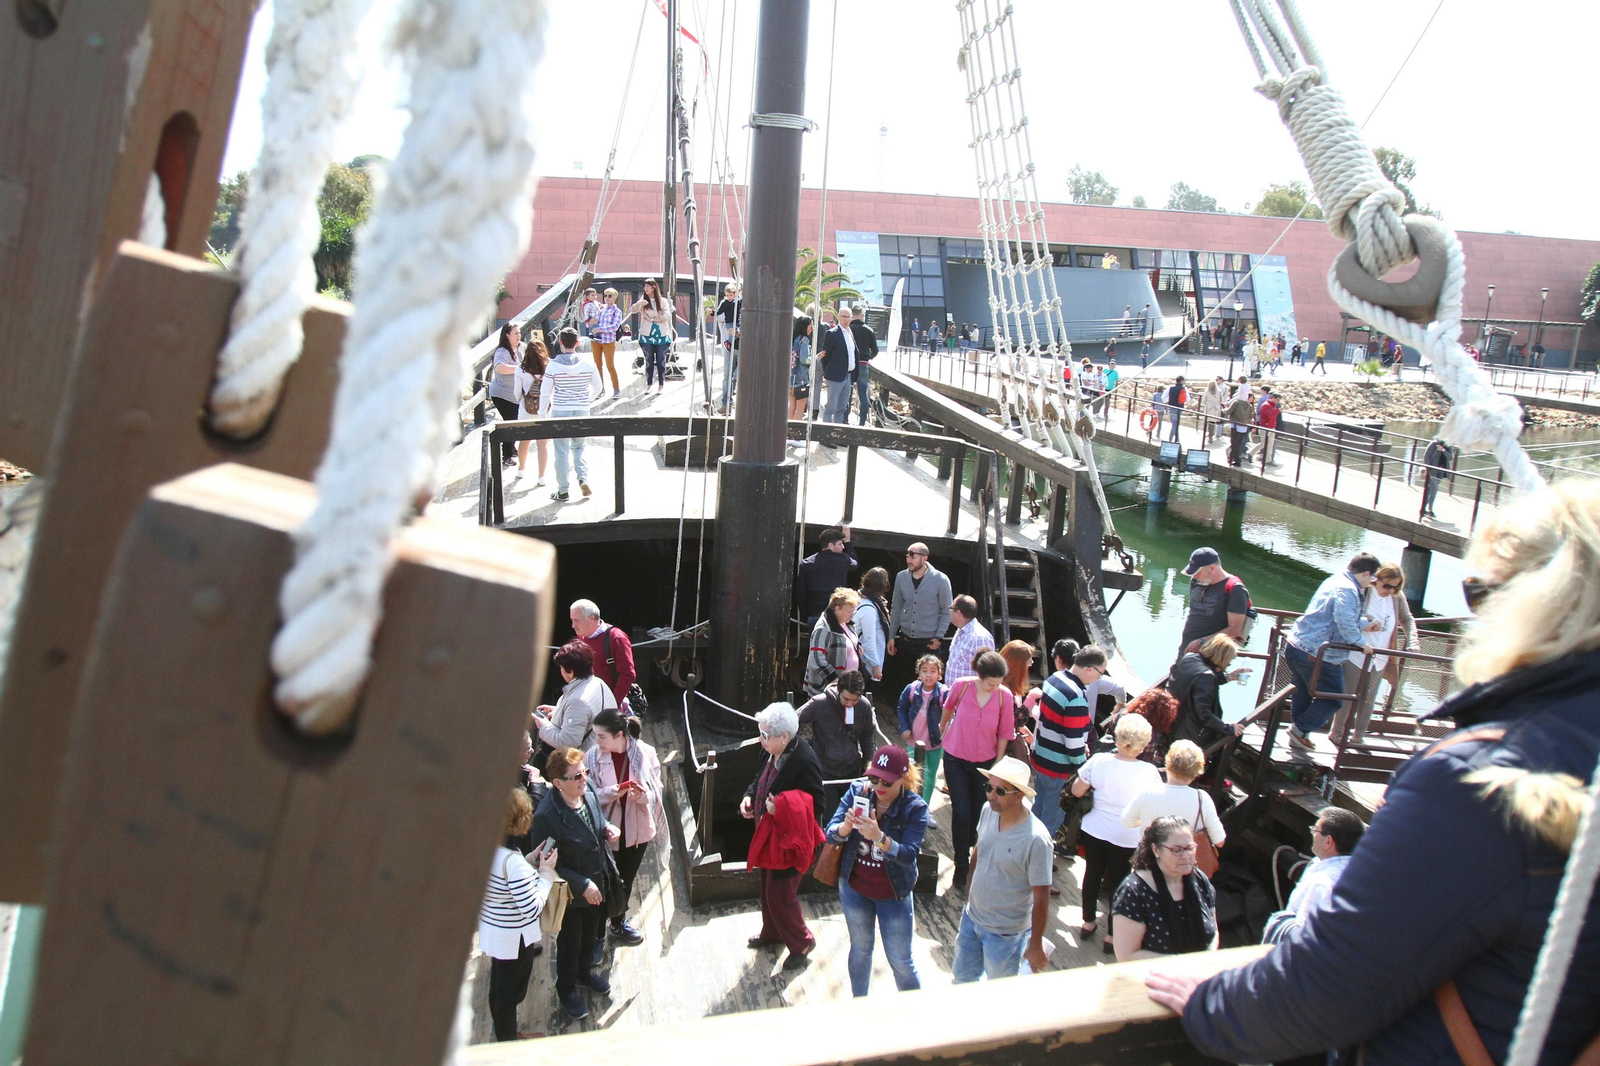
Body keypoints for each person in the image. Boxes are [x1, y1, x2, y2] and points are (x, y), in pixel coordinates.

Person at [1152, 481, 1600, 1065]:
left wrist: (1211, 1003)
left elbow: (1322, 995)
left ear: (1528, 606)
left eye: (1479, 593)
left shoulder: (1477, 783)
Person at [824, 745, 930, 996]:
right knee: (860, 950)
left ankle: (913, 1011)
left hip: (893, 893)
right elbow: (830, 832)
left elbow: (909, 855)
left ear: (903, 779)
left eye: (887, 782)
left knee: (901, 961)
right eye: (874, 779)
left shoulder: (914, 808)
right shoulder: (858, 791)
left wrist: (880, 838)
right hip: (855, 889)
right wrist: (846, 827)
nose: (879, 786)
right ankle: (860, 1003)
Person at [531, 746, 622, 1020]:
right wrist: (582, 884)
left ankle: (584, 973)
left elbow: (596, 818)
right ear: (558, 783)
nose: (584, 779)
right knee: (571, 942)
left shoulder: (586, 789)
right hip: (573, 893)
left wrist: (606, 826)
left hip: (598, 880)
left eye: (585, 772)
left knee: (590, 935)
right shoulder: (547, 817)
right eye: (577, 776)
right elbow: (546, 862)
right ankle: (566, 988)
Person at [951, 756, 1054, 981]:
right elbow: (979, 850)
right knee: (960, 982)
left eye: (1000, 791)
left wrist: (1035, 943)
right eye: (989, 787)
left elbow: (1042, 896)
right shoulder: (988, 810)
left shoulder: (1037, 839)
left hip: (1006, 934)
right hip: (971, 919)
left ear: (1019, 795)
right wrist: (969, 894)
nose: (991, 795)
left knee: (999, 994)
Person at [742, 703, 824, 970]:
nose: (761, 739)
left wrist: (783, 809)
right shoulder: (769, 751)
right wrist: (749, 796)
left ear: (785, 737)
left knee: (781, 895)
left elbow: (817, 803)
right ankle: (772, 933)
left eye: (766, 735)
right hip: (769, 836)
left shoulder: (804, 761)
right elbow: (759, 779)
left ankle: (802, 942)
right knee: (767, 888)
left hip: (790, 842)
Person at [1069, 713, 1162, 950]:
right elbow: (1155, 806)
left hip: (1094, 828)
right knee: (1119, 882)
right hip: (1127, 835)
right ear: (1143, 744)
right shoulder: (1149, 772)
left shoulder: (1099, 761)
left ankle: (1088, 922)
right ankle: (1112, 934)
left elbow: (1077, 791)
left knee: (1092, 873)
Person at [583, 707, 666, 948]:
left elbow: (656, 790)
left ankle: (618, 923)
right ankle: (597, 934)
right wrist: (612, 792)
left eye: (601, 736)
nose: (597, 741)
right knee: (603, 882)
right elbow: (586, 795)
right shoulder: (591, 757)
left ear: (618, 735)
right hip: (606, 831)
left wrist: (640, 796)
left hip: (636, 831)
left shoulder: (646, 754)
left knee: (625, 880)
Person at [480, 789, 558, 1041]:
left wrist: (530, 860)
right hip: (514, 937)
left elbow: (503, 881)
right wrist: (546, 874)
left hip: (495, 931)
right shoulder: (512, 864)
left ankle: (505, 1034)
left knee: (499, 989)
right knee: (509, 995)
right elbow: (532, 907)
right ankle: (508, 1041)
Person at [1283, 553, 1380, 748]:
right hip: (1318, 653)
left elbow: (1331, 617)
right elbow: (1344, 622)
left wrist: (1364, 624)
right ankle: (1299, 730)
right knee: (1334, 699)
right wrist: (1362, 643)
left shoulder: (1335, 580)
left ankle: (1299, 735)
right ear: (1366, 574)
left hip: (1297, 645)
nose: (1373, 582)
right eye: (1373, 578)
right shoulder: (1348, 589)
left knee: (1303, 693)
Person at [939, 650, 1017, 887]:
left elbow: (1005, 732)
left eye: (998, 683)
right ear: (979, 676)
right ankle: (961, 862)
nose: (994, 687)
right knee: (961, 811)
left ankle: (973, 849)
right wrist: (942, 728)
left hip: (985, 762)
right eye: (990, 683)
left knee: (978, 811)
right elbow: (948, 708)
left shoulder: (1004, 696)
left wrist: (998, 763)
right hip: (955, 757)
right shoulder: (962, 686)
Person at [1111, 816, 1219, 961]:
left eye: (1190, 848)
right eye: (1177, 850)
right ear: (1156, 850)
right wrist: (1184, 964)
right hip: (1154, 975)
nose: (1186, 856)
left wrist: (1208, 957)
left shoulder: (1199, 880)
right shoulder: (1134, 891)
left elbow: (1214, 931)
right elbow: (1127, 956)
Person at [1030, 643, 1106, 845]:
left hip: (1040, 759)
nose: (1098, 678)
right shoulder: (1076, 697)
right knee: (1051, 820)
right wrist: (1083, 768)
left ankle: (1026, 847)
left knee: (1037, 809)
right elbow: (1073, 745)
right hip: (1058, 770)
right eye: (1100, 674)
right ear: (1090, 669)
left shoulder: (1054, 679)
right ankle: (1038, 856)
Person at [1336, 562, 1419, 739]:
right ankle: (1337, 733)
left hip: (1380, 657)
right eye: (1387, 586)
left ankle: (1358, 737)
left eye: (1396, 587)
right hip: (1356, 653)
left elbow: (1407, 619)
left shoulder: (1396, 597)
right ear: (1377, 579)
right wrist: (1367, 621)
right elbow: (1349, 615)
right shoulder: (1364, 591)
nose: (1391, 590)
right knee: (1348, 696)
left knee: (1369, 699)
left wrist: (1413, 642)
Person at [1260, 806, 1364, 944]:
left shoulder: (1321, 884)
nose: (1312, 833)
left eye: (1315, 830)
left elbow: (1303, 939)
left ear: (1328, 841)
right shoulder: (1361, 873)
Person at [798, 668, 875, 821]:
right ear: (839, 690)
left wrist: (870, 768)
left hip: (852, 771)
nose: (850, 704)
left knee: (853, 818)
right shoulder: (820, 703)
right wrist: (802, 751)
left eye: (855, 700)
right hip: (825, 771)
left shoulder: (864, 706)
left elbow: (868, 739)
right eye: (846, 699)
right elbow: (794, 721)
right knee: (829, 817)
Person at [1121, 741, 1226, 853]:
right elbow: (1219, 841)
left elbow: (1127, 822)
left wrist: (1146, 820)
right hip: (1185, 861)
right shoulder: (1202, 799)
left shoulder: (1147, 792)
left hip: (1150, 858)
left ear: (1168, 764)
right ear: (1196, 772)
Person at [539, 326, 601, 502]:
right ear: (577, 343)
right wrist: (587, 400)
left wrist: (542, 415)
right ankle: (583, 479)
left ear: (560, 342)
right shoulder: (588, 364)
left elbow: (545, 392)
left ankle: (563, 490)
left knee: (561, 451)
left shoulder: (552, 366)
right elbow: (598, 387)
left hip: (560, 410)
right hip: (581, 410)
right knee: (579, 447)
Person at [886, 542, 953, 696]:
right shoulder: (901, 577)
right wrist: (891, 636)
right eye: (907, 556)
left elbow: (946, 611)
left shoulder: (941, 580)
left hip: (928, 643)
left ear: (925, 558)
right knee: (903, 684)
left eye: (913, 556)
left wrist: (939, 637)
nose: (909, 560)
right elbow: (896, 608)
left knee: (929, 686)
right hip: (905, 640)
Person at [532, 641, 616, 755]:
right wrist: (559, 711)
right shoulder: (598, 683)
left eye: (561, 668)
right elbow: (588, 716)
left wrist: (543, 726)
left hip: (583, 761)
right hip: (601, 754)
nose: (561, 671)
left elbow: (568, 742)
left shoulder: (578, 701)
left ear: (571, 672)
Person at [1168, 634, 1248, 751]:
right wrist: (1228, 729)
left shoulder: (1189, 658)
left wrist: (1228, 677)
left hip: (1174, 722)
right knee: (1236, 734)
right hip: (1190, 733)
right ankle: (1215, 762)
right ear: (1222, 658)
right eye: (1229, 662)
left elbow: (1195, 682)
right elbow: (1203, 714)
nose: (1228, 665)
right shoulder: (1207, 676)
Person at [1178, 547, 1251, 654]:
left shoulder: (1236, 589)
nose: (1195, 575)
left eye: (1198, 572)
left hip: (1210, 654)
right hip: (1186, 650)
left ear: (1212, 568)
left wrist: (1201, 642)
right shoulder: (1196, 581)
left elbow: (1234, 630)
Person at [897, 654, 947, 805]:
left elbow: (952, 710)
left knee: (930, 777)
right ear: (918, 672)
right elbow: (902, 708)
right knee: (915, 774)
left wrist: (946, 730)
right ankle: (912, 805)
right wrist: (904, 728)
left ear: (939, 674)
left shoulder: (943, 692)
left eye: (933, 671)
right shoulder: (911, 689)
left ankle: (924, 806)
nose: (928, 675)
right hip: (914, 739)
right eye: (924, 671)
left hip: (935, 741)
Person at [571, 599, 637, 713]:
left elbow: (627, 674)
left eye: (576, 621)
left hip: (611, 708)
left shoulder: (616, 638)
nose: (573, 625)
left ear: (591, 618)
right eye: (572, 620)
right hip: (589, 704)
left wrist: (612, 705)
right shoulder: (581, 639)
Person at [804, 587, 864, 697]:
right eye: (849, 611)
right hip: (828, 689)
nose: (852, 615)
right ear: (837, 608)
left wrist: (856, 646)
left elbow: (848, 639)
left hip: (846, 687)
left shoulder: (846, 623)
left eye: (854, 611)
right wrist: (834, 679)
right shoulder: (823, 629)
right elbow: (816, 659)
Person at [796, 525, 857, 627]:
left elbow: (801, 594)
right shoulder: (844, 559)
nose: (843, 547)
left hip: (815, 614)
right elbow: (855, 564)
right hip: (837, 615)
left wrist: (805, 615)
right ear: (830, 545)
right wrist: (848, 541)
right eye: (840, 544)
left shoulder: (806, 563)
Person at [818, 306, 864, 424]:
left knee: (842, 408)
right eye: (844, 316)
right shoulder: (832, 333)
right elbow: (825, 356)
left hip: (848, 376)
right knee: (831, 407)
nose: (846, 319)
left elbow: (854, 353)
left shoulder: (850, 333)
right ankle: (827, 432)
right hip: (835, 376)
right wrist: (829, 371)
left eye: (849, 317)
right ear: (838, 317)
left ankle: (837, 431)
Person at [628, 278, 674, 394]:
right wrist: (639, 304)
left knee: (660, 360)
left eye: (648, 286)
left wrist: (655, 319)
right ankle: (648, 384)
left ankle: (661, 385)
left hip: (661, 335)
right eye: (645, 286)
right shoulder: (643, 300)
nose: (646, 289)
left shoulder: (663, 301)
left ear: (654, 287)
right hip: (646, 335)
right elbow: (632, 310)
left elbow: (668, 315)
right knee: (649, 360)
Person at [488, 321, 524, 466]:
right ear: (507, 335)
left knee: (517, 420)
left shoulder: (522, 347)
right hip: (501, 393)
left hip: (515, 394)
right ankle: (506, 455)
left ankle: (512, 447)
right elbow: (499, 368)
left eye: (519, 333)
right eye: (516, 333)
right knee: (510, 422)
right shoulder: (502, 351)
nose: (519, 336)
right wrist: (519, 368)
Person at [515, 331, 549, 485]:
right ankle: (541, 477)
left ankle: (521, 469)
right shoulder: (549, 367)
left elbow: (517, 393)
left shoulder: (520, 369)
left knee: (524, 441)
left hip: (526, 410)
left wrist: (522, 400)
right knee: (542, 444)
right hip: (544, 410)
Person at [946, 594, 995, 685]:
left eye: (951, 608)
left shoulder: (980, 637)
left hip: (969, 693)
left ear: (958, 613)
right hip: (953, 691)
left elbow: (987, 672)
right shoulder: (960, 631)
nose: (949, 611)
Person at [584, 287, 624, 398]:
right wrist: (590, 323)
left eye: (609, 296)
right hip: (596, 340)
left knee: (610, 365)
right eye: (605, 295)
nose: (607, 298)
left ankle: (616, 388)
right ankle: (600, 389)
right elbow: (588, 323)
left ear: (615, 297)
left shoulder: (617, 311)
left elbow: (615, 326)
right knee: (597, 366)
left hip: (608, 341)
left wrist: (600, 329)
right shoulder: (600, 308)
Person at [855, 567, 892, 687]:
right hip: (865, 663)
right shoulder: (869, 609)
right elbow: (868, 640)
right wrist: (876, 666)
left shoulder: (860, 600)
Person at [849, 307, 880, 426]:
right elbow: (875, 350)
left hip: (850, 364)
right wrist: (868, 357)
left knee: (847, 392)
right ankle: (862, 422)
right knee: (863, 395)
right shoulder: (869, 330)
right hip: (863, 364)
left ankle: (845, 419)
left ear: (852, 315)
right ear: (862, 315)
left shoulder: (848, 329)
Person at [714, 284, 740, 409]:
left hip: (740, 345)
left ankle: (730, 401)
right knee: (727, 375)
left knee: (735, 375)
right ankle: (726, 402)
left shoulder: (741, 305)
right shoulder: (726, 304)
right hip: (728, 345)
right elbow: (719, 317)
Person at [1421, 436, 1455, 518]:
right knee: (1434, 490)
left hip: (1441, 471)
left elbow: (1450, 458)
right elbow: (1426, 456)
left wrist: (1443, 450)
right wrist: (1428, 469)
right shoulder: (1434, 444)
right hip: (1432, 471)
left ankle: (1423, 509)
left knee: (1430, 490)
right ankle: (1430, 510)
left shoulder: (1448, 445)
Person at [790, 315, 815, 422]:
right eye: (811, 326)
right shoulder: (804, 340)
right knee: (800, 409)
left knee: (791, 407)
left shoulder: (793, 339)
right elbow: (804, 359)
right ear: (805, 326)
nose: (812, 328)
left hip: (791, 378)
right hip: (801, 379)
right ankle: (796, 431)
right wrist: (816, 358)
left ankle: (787, 429)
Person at [1226, 388, 1255, 467]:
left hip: (1236, 425)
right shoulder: (1249, 405)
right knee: (1239, 443)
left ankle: (1236, 459)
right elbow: (1250, 416)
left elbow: (1228, 411)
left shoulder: (1236, 403)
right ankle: (1233, 457)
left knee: (1234, 443)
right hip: (1244, 427)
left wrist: (1224, 409)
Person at [1252, 390, 1281, 465]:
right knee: (1264, 443)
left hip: (1271, 427)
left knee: (1270, 445)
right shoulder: (1266, 405)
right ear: (1273, 398)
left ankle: (1268, 460)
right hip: (1265, 427)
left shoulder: (1273, 405)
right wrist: (1278, 411)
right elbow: (1269, 416)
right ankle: (1251, 453)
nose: (1277, 401)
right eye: (1277, 399)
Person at [1201, 377, 1225, 444]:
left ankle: (1209, 435)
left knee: (1209, 422)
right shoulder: (1219, 391)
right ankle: (1211, 434)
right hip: (1216, 408)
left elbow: (1203, 401)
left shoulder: (1207, 391)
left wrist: (1205, 403)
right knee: (1213, 422)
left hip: (1209, 408)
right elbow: (1222, 400)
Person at [1165, 376, 1187, 442]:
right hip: (1179, 408)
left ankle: (1170, 439)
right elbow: (1186, 399)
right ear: (1181, 381)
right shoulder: (1182, 389)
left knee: (1174, 423)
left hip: (1172, 407)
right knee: (1175, 424)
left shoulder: (1171, 388)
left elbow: (1164, 397)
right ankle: (1177, 440)